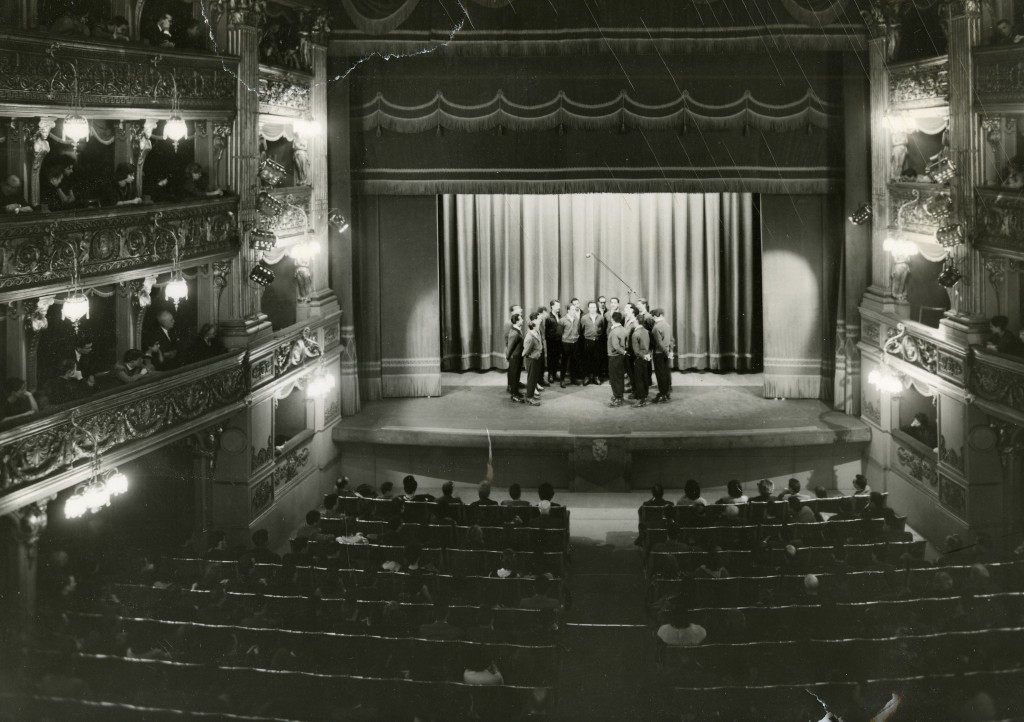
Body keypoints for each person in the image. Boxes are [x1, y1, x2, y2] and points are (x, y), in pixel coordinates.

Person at [650, 308, 673, 403]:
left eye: (653, 316)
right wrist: (669, 352)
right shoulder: (668, 325)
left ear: (655, 316)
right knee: (666, 373)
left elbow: (659, 343)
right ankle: (666, 393)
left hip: (659, 353)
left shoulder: (656, 327)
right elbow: (671, 340)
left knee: (660, 375)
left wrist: (666, 352)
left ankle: (662, 394)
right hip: (666, 352)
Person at [522, 311, 544, 407]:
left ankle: (531, 395)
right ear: (534, 326)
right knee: (531, 379)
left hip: (536, 359)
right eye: (538, 324)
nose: (539, 324)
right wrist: (531, 355)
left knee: (534, 378)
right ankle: (529, 398)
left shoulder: (535, 333)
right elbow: (525, 351)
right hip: (531, 360)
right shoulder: (529, 337)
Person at [607, 310, 628, 407]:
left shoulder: (614, 331)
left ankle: (618, 397)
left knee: (614, 378)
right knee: (619, 377)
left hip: (614, 357)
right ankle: (619, 395)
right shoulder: (624, 329)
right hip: (620, 357)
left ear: (612, 319)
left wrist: (622, 351)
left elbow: (616, 346)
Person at [581, 301, 604, 385]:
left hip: (597, 341)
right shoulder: (584, 318)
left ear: (596, 308)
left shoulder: (601, 317)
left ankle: (596, 376)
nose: (593, 309)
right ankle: (587, 377)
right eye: (591, 307)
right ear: (588, 308)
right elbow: (581, 329)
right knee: (587, 359)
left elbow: (603, 328)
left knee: (597, 359)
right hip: (588, 341)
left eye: (594, 307)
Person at [631, 317, 653, 407]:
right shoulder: (646, 331)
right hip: (647, 357)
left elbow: (636, 351)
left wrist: (643, 356)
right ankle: (645, 395)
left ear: (636, 321)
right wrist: (647, 355)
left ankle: (641, 400)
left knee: (639, 379)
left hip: (639, 358)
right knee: (645, 377)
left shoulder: (635, 334)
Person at [559, 305, 581, 387]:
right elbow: (560, 334)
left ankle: (573, 379)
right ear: (568, 310)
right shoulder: (562, 320)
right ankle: (562, 380)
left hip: (575, 343)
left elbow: (578, 330)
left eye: (575, 309)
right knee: (564, 362)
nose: (573, 311)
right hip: (565, 343)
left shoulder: (577, 319)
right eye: (572, 309)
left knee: (574, 361)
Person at [505, 311, 525, 403]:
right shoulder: (514, 333)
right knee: (514, 376)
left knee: (517, 375)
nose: (523, 320)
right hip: (514, 358)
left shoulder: (517, 329)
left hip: (518, 357)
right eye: (521, 319)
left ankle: (516, 392)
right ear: (517, 321)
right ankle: (514, 395)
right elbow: (510, 347)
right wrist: (508, 357)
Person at [544, 300, 562, 385]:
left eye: (559, 305)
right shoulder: (548, 317)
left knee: (557, 357)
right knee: (551, 358)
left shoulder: (559, 315)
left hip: (559, 341)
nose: (559, 307)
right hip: (551, 342)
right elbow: (546, 331)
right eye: (557, 305)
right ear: (552, 306)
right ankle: (550, 374)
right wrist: (551, 338)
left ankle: (555, 373)